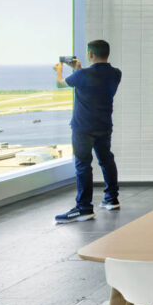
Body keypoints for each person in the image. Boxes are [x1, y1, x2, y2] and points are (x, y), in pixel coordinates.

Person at [52, 39, 122, 224]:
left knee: (83, 165)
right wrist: (79, 68)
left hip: (83, 128)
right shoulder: (115, 74)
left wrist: (58, 69)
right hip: (104, 126)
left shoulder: (83, 74)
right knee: (106, 160)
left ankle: (83, 208)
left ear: (91, 54)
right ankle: (111, 199)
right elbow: (91, 82)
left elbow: (60, 84)